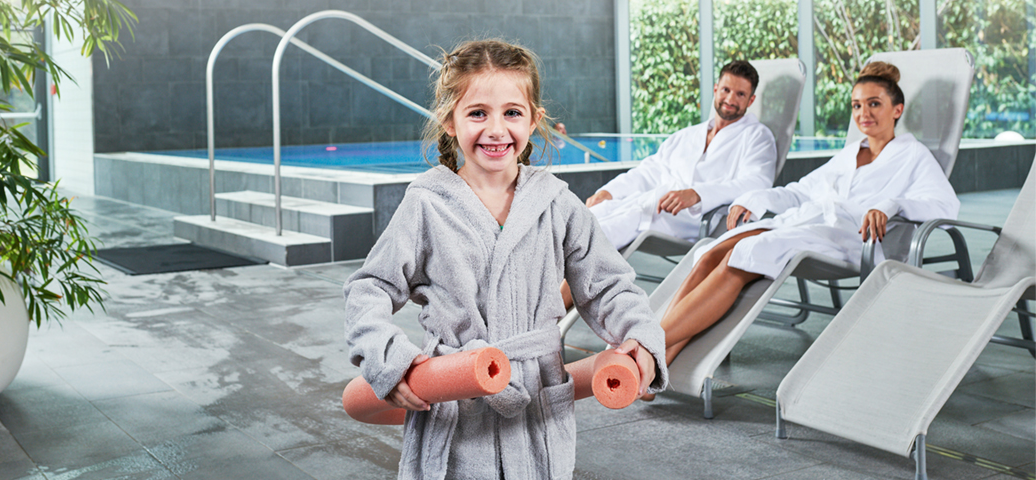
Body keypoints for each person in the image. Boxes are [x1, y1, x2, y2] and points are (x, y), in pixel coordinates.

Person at [343, 40, 667, 479]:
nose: (496, 129)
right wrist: (391, 360)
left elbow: (609, 285)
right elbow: (370, 288)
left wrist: (640, 338)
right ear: (450, 121)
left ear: (533, 120)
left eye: (512, 113)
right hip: (456, 392)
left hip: (535, 399)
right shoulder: (426, 205)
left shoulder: (557, 203)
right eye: (478, 113)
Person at [656, 61, 960, 368]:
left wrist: (891, 204)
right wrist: (756, 197)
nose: (863, 114)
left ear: (897, 109)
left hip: (848, 239)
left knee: (747, 250)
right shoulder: (849, 155)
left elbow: (946, 206)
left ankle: (648, 345)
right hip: (805, 224)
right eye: (856, 105)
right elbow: (801, 192)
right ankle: (658, 359)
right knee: (711, 251)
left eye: (874, 104)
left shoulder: (913, 155)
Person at [561, 60, 777, 309]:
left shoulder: (757, 137)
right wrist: (610, 191)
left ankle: (552, 318)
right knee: (585, 220)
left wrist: (697, 194)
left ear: (750, 101)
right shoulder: (688, 135)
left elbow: (757, 181)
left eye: (740, 94)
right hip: (652, 204)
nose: (731, 98)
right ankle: (539, 311)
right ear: (716, 89)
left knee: (599, 236)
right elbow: (649, 171)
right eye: (726, 90)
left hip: (694, 218)